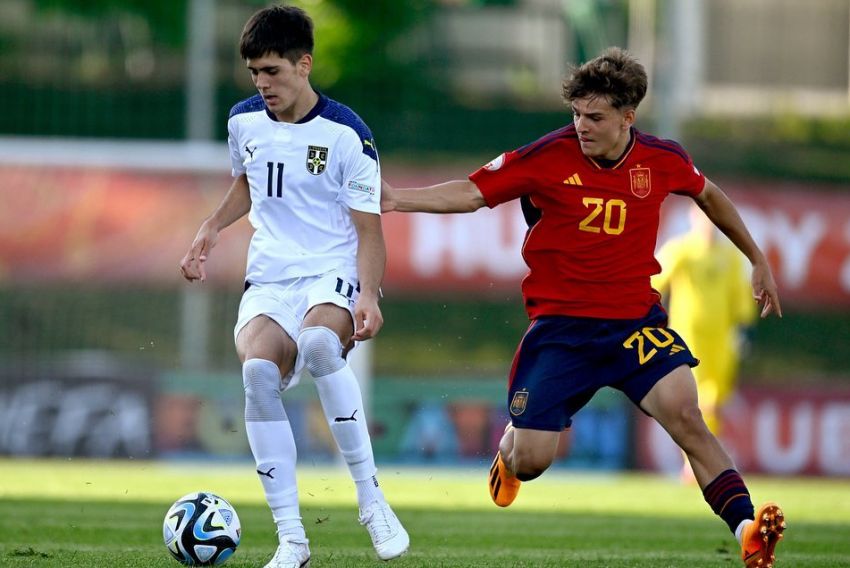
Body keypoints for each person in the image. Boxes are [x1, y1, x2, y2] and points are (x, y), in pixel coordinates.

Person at [382, 47, 785, 568]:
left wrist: (756, 257)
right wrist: (396, 199)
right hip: (562, 331)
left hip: (633, 325)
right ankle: (509, 453)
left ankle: (747, 531)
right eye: (576, 114)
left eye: (594, 117)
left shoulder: (662, 159)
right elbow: (472, 193)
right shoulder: (547, 155)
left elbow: (709, 195)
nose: (581, 126)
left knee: (687, 415)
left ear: (628, 116)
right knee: (532, 461)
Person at [179, 6, 409, 567]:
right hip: (270, 276)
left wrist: (370, 295)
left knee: (320, 345)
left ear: (304, 65)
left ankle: (370, 499)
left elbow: (369, 228)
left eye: (273, 71)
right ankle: (292, 540)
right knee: (257, 375)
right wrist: (211, 226)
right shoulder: (242, 121)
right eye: (255, 72)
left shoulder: (348, 134)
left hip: (330, 270)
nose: (263, 84)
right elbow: (249, 182)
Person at [654, 203, 757, 480]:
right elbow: (655, 281)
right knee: (695, 401)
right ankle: (695, 464)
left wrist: (744, 328)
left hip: (722, 340)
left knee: (715, 400)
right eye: (703, 220)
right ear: (693, 220)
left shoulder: (730, 257)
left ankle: (700, 462)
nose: (708, 226)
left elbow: (741, 298)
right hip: (688, 337)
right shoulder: (682, 252)